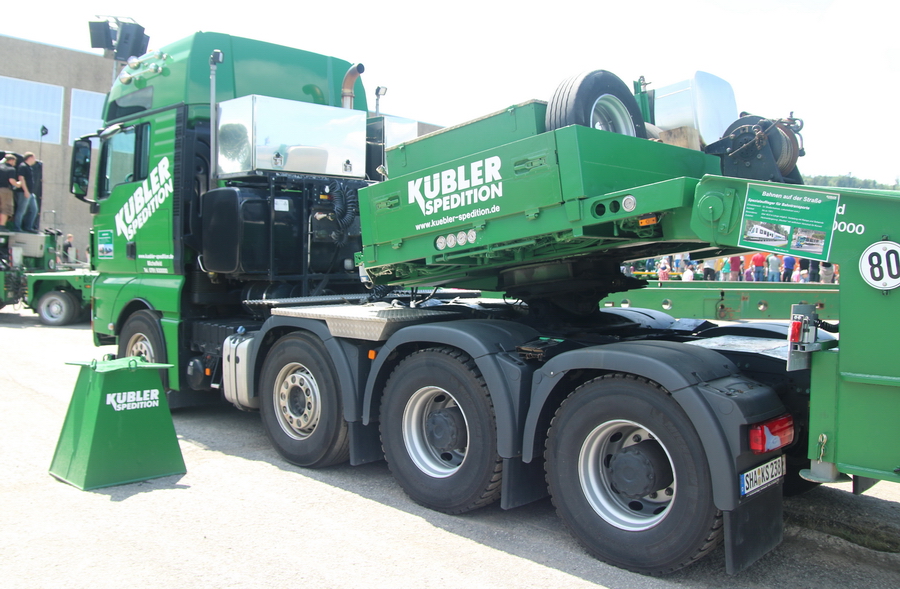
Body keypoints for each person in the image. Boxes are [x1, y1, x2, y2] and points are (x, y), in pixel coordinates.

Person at [14, 152, 38, 233]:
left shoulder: (29, 167)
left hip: (30, 193)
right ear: (30, 158)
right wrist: (26, 191)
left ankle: (28, 227)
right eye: (34, 158)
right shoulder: (23, 166)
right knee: (21, 210)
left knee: (34, 210)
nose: (35, 160)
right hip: (23, 192)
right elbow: (21, 178)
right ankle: (17, 227)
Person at [0, 153, 18, 228]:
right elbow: (11, 181)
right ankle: (2, 226)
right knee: (5, 208)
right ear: (11, 160)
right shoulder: (11, 169)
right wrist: (18, 184)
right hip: (5, 190)